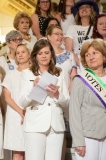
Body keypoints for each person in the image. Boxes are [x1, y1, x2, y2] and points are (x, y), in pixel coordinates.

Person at [19, 39, 69, 160]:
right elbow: (22, 102)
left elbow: (67, 101)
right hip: (35, 124)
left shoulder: (59, 73)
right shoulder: (27, 73)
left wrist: (57, 94)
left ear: (51, 54)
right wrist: (34, 88)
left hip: (56, 125)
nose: (44, 56)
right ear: (35, 56)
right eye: (40, 53)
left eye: (46, 52)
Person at [69, 39, 106, 160]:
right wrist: (78, 141)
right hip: (88, 136)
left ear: (104, 56)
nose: (91, 57)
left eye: (95, 53)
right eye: (87, 55)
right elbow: (74, 112)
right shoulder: (80, 79)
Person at [46, 25, 77, 160]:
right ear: (48, 36)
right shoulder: (44, 55)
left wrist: (66, 94)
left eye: (61, 34)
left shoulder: (69, 54)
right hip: (47, 99)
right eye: (56, 34)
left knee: (62, 133)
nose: (60, 37)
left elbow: (73, 76)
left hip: (66, 98)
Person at [2, 44, 30, 160]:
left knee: (33, 151)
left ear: (29, 54)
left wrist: (27, 112)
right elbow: (7, 97)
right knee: (18, 153)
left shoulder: (35, 72)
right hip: (15, 116)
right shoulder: (11, 74)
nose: (20, 55)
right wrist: (20, 111)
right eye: (18, 53)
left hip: (31, 114)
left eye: (23, 52)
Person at [65, 0, 99, 69]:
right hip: (77, 65)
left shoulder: (96, 28)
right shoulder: (72, 28)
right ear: (78, 12)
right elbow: (68, 49)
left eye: (87, 7)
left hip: (94, 63)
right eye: (81, 8)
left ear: (92, 10)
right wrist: (80, 64)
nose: (84, 9)